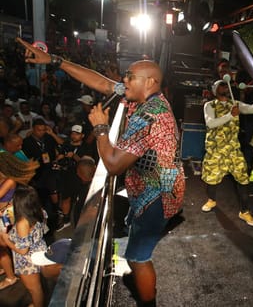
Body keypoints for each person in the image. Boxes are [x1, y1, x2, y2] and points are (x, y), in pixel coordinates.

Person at [17, 37, 186, 307]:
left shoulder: (151, 114)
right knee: (135, 250)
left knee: (138, 258)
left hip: (157, 197)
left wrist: (100, 128)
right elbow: (103, 83)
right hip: (147, 189)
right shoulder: (141, 96)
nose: (124, 81)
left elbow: (114, 164)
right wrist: (55, 60)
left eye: (130, 77)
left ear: (150, 82)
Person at [200, 79, 253, 226]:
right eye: (221, 84)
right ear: (214, 90)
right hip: (215, 150)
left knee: (243, 180)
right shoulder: (209, 105)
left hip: (233, 150)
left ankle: (245, 212)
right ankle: (211, 200)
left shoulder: (235, 104)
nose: (225, 86)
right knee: (211, 182)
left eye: (226, 84)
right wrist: (230, 115)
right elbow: (210, 123)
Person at [0, 186, 47, 307]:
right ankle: (37, 303)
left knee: (34, 289)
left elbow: (23, 250)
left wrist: (6, 239)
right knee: (36, 286)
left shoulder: (22, 223)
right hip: (38, 250)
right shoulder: (39, 210)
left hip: (27, 260)